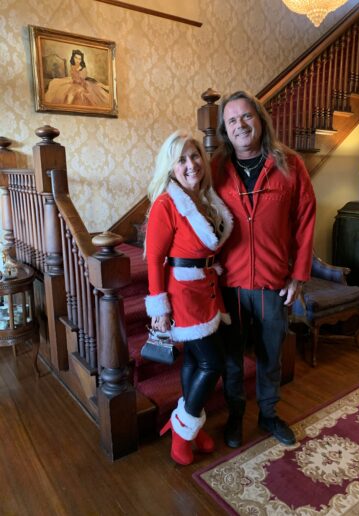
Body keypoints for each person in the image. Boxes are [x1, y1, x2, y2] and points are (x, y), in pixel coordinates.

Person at [212, 90, 316, 448]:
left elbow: (305, 220)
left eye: (246, 116)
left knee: (271, 357)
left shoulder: (290, 164)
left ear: (260, 119)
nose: (240, 124)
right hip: (231, 285)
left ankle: (269, 415)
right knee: (232, 361)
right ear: (225, 129)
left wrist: (299, 274)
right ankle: (236, 416)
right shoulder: (215, 168)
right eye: (232, 120)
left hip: (273, 284)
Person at [144, 130, 234, 465]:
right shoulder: (166, 203)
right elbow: (153, 259)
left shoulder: (207, 198)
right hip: (182, 292)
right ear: (170, 167)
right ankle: (183, 432)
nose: (191, 164)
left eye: (194, 155)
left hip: (207, 287)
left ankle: (188, 426)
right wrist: (158, 307)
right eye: (181, 159)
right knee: (213, 363)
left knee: (196, 361)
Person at [44, 49, 110, 107]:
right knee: (62, 89)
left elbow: (82, 78)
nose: (78, 60)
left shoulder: (82, 68)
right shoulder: (72, 65)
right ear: (73, 58)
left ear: (81, 60)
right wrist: (76, 73)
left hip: (82, 83)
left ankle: (104, 86)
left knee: (93, 86)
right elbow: (74, 77)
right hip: (74, 82)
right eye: (76, 58)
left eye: (79, 58)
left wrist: (79, 71)